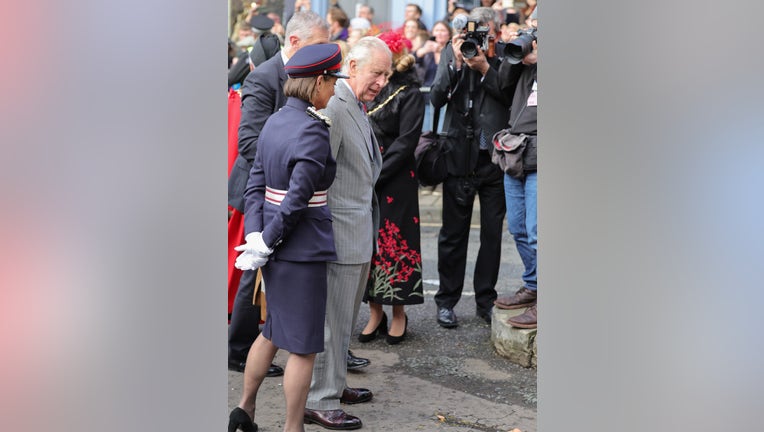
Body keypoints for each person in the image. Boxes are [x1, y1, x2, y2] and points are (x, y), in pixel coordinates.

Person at [228, 43, 347, 432]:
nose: (334, 91)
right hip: (301, 249)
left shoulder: (276, 122)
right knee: (304, 347)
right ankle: (292, 428)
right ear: (318, 82)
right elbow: (297, 201)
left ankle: (244, 410)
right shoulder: (313, 130)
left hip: (274, 248)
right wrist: (267, 241)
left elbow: (255, 186)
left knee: (271, 332)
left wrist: (258, 237)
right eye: (332, 83)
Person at [228, 10, 330, 379]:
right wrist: (291, 168)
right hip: (261, 189)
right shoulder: (265, 77)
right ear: (295, 42)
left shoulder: (307, 75)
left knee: (271, 273)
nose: (326, 53)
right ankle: (239, 349)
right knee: (253, 274)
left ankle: (265, 339)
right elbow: (249, 142)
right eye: (320, 45)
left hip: (281, 187)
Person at [303, 36, 391, 431]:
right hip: (339, 233)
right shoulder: (335, 105)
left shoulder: (351, 102)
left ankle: (334, 385)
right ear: (352, 67)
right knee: (332, 321)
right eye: (377, 72)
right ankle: (320, 397)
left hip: (356, 230)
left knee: (345, 319)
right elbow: (317, 177)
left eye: (387, 74)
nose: (382, 82)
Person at [429, 7, 510, 328]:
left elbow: (506, 95)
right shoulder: (453, 54)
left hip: (494, 158)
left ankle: (485, 300)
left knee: (492, 235)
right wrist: (456, 62)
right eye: (473, 34)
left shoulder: (508, 56)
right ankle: (446, 301)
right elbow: (435, 98)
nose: (477, 40)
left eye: (485, 34)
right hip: (458, 156)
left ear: (497, 33)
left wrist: (486, 67)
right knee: (452, 233)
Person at [359, 31, 425, 346]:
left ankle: (399, 311)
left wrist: (377, 173)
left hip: (395, 178)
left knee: (395, 242)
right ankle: (375, 311)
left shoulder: (410, 92)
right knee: (370, 244)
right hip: (366, 174)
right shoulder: (368, 90)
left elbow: (407, 141)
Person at [494, 8, 538, 329]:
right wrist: (514, 56)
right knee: (519, 229)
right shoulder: (525, 59)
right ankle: (534, 286)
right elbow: (501, 87)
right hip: (517, 150)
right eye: (533, 26)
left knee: (540, 233)